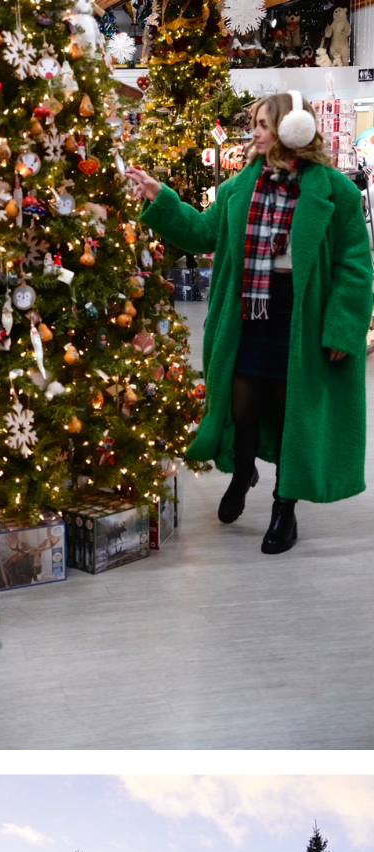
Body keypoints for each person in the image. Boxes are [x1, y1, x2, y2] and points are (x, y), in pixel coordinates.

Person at [126, 91, 372, 555]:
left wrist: (343, 327)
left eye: (262, 123)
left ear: (291, 127)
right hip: (247, 310)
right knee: (241, 400)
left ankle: (285, 507)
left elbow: (355, 265)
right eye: (255, 123)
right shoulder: (241, 186)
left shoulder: (334, 190)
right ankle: (242, 470)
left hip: (303, 313)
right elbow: (201, 232)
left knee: (289, 410)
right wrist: (163, 199)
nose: (255, 132)